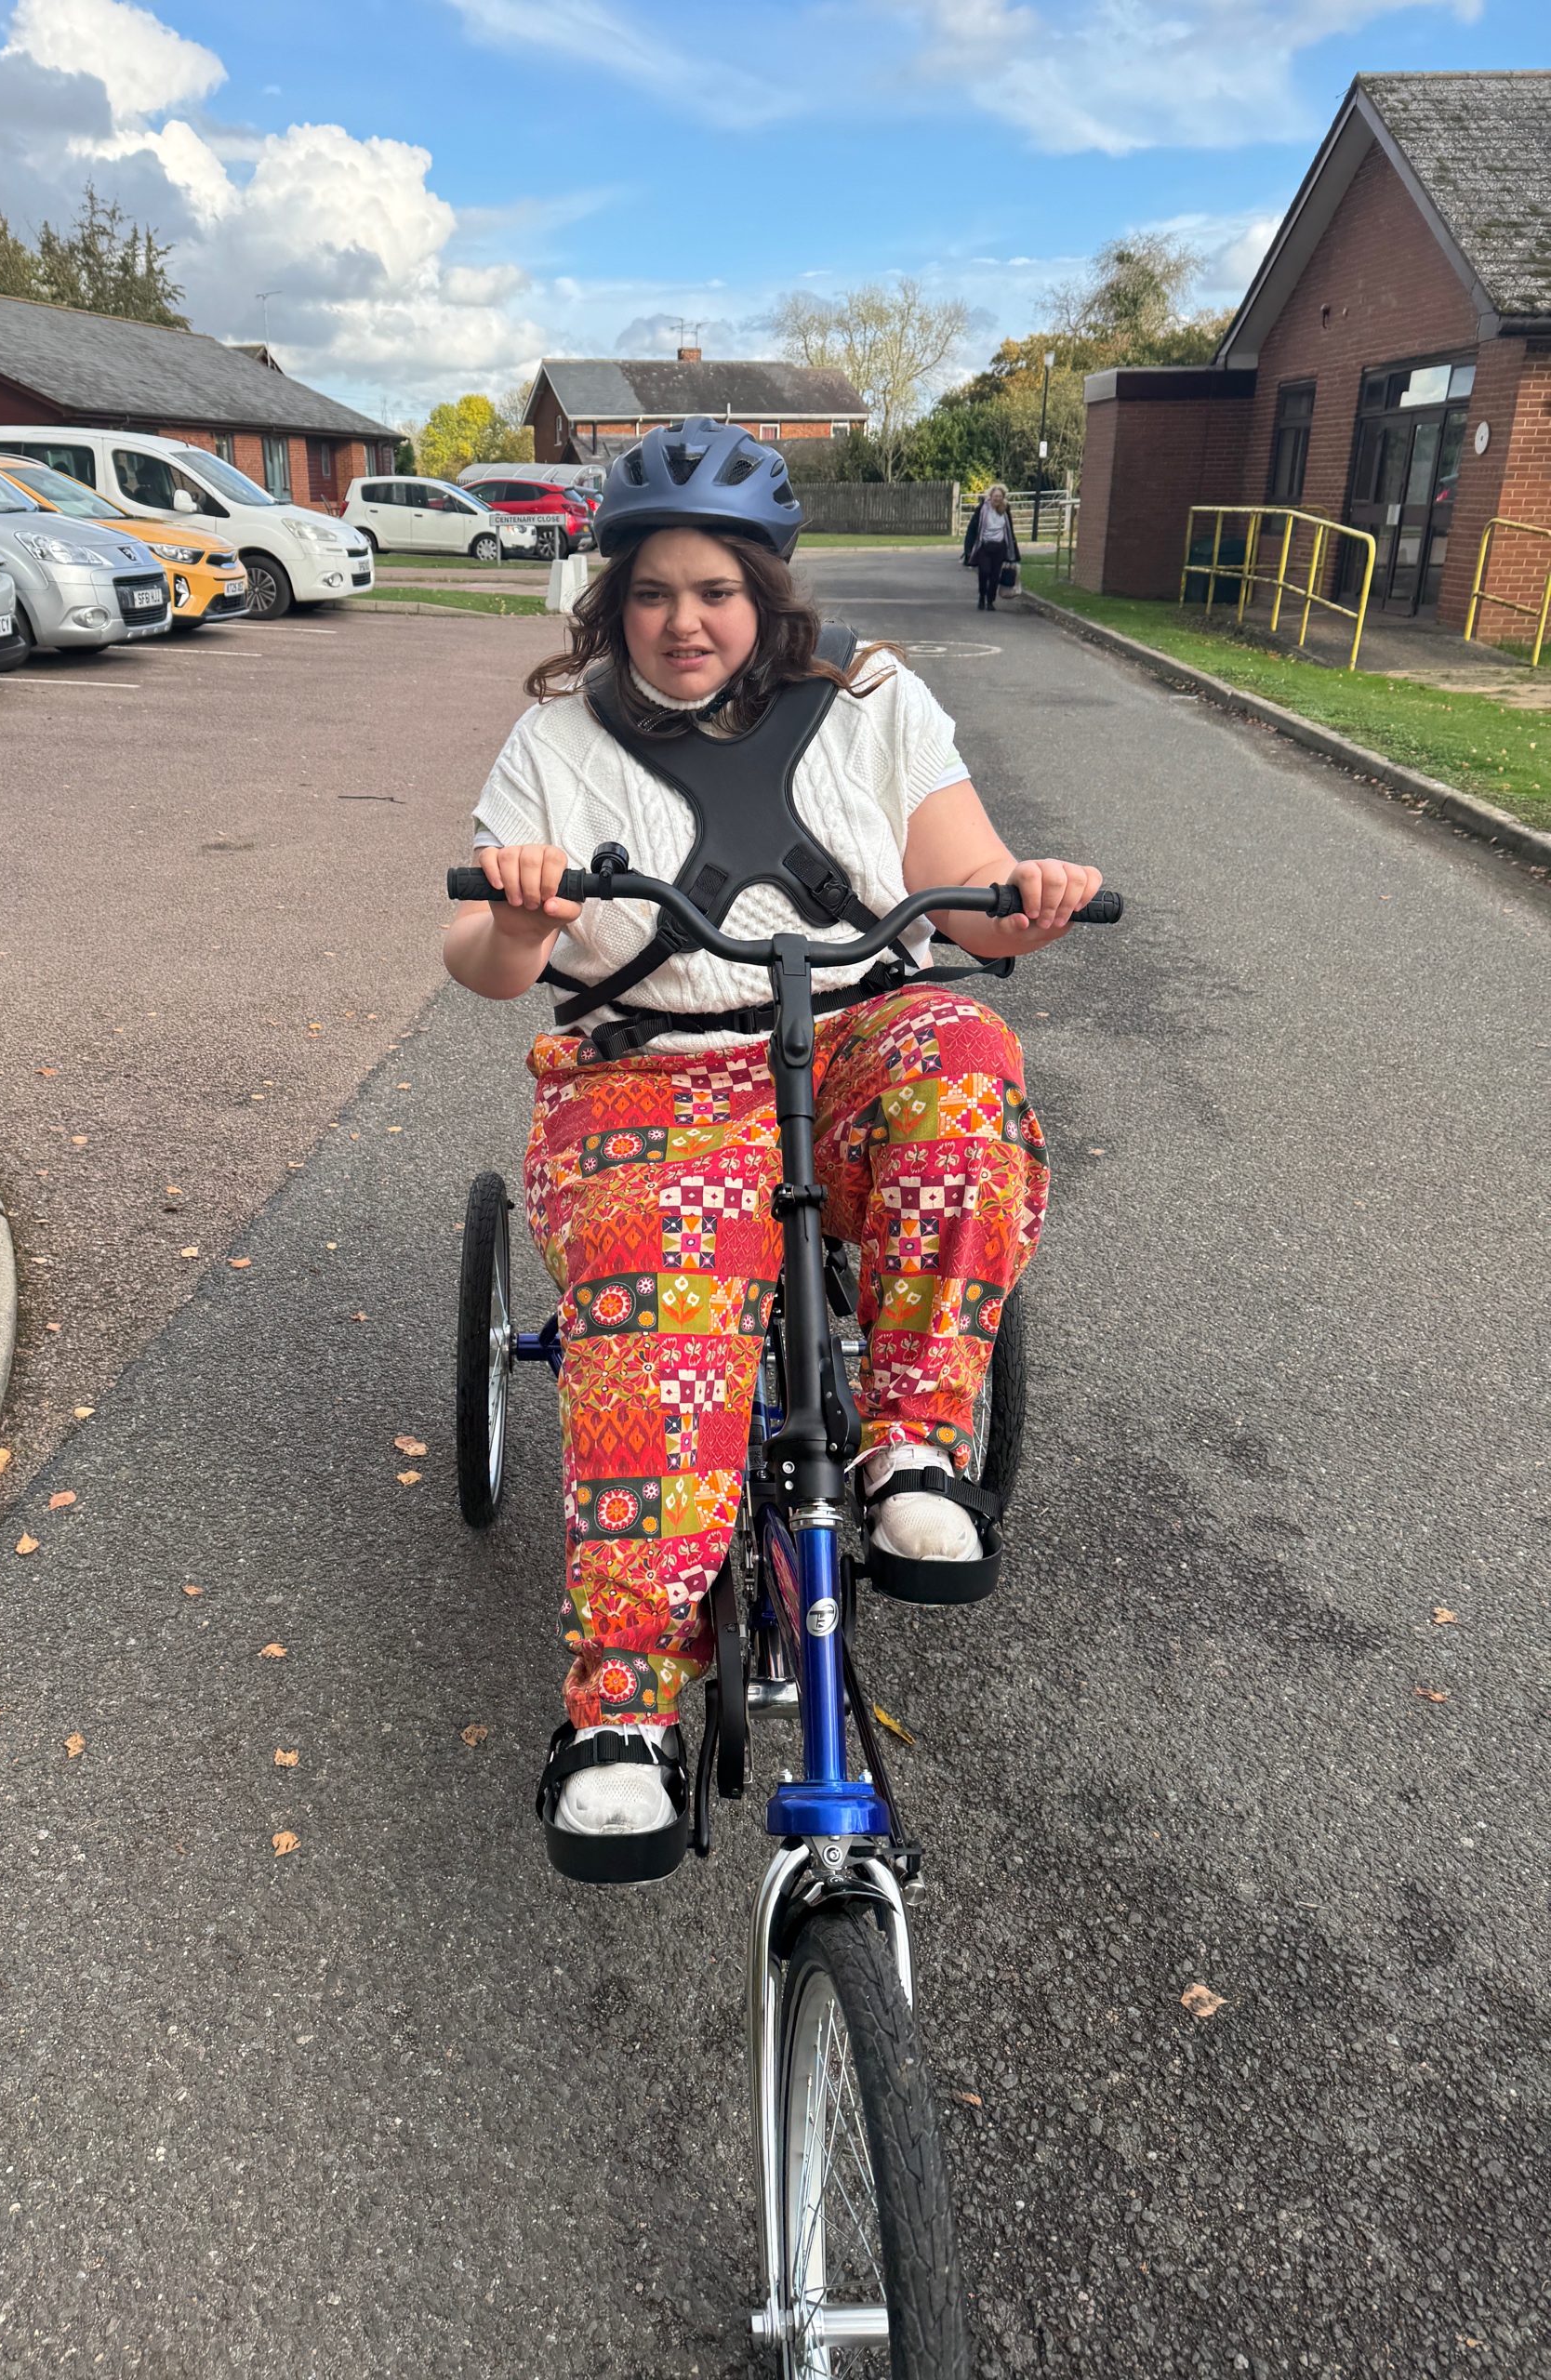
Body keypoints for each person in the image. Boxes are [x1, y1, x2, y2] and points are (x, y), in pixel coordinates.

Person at [444, 418, 1100, 1874]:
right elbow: (479, 966)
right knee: (661, 1285)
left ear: (767, 593)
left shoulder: (872, 700)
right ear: (610, 600)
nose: (684, 622)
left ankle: (912, 1448)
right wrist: (521, 918)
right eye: (651, 592)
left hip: (845, 1040)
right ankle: (622, 1714)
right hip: (649, 1075)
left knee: (966, 1054)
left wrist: (1029, 898)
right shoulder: (555, 743)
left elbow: (967, 897)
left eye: (716, 591)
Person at [962, 483, 1020, 611]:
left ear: (1003, 497)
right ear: (991, 496)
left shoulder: (1005, 510)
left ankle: (990, 601)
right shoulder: (982, 509)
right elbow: (972, 528)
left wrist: (1014, 551)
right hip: (985, 546)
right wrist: (968, 548)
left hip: (1000, 547)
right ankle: (981, 597)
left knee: (995, 575)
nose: (997, 499)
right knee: (984, 571)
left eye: (1000, 496)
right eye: (995, 496)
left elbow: (1009, 529)